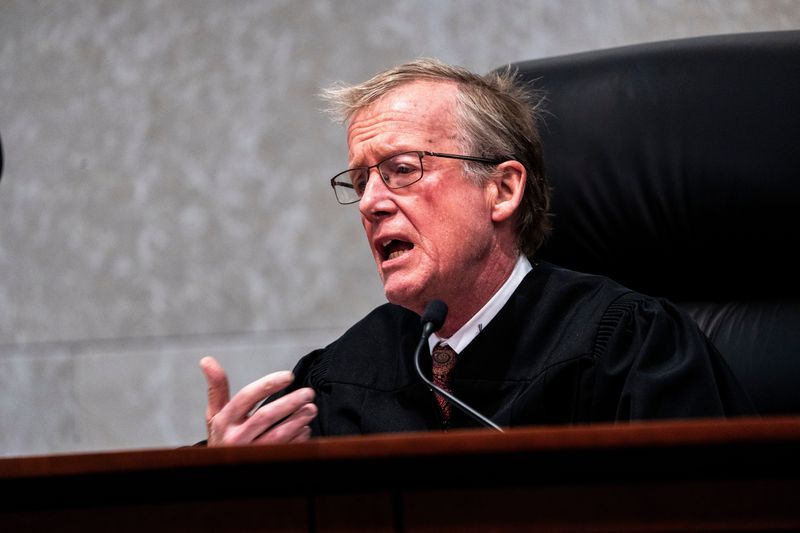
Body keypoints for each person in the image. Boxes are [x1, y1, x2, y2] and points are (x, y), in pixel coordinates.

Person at [198, 58, 754, 446]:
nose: (370, 203)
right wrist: (228, 480)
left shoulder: (628, 345)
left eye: (401, 170)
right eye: (361, 181)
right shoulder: (341, 374)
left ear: (502, 190)